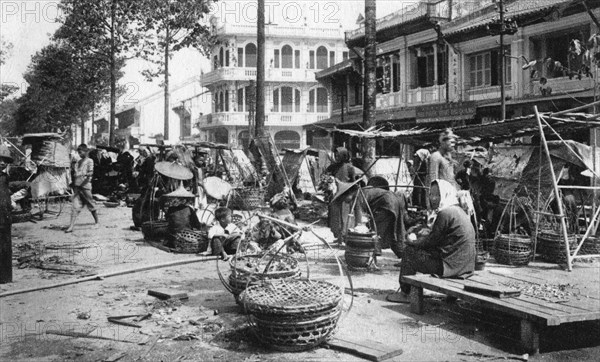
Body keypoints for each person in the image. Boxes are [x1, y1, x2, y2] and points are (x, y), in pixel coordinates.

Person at [388, 179, 476, 303]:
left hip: (452, 267)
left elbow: (430, 242)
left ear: (445, 194)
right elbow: (441, 240)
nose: (433, 198)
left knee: (409, 253)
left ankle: (405, 293)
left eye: (437, 195)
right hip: (465, 267)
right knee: (423, 251)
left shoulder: (445, 213)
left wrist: (412, 243)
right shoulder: (458, 211)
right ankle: (451, 296)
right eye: (431, 194)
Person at [325, 147, 364, 242]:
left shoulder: (349, 167)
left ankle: (345, 237)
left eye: (339, 155)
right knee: (335, 217)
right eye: (336, 156)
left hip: (346, 195)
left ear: (344, 156)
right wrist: (327, 182)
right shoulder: (332, 167)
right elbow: (326, 177)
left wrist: (351, 194)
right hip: (335, 196)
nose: (337, 157)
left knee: (345, 217)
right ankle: (338, 236)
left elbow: (354, 183)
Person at [66, 144, 99, 233]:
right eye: (79, 153)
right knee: (75, 206)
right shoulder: (78, 162)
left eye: (81, 152)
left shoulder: (90, 161)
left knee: (91, 204)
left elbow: (91, 172)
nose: (80, 154)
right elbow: (75, 173)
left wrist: (84, 174)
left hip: (85, 186)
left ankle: (97, 222)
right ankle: (71, 226)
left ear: (86, 151)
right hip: (77, 186)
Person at [0, 145, 14, 283]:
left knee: (5, 247)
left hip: (5, 217)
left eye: (5, 160)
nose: (2, 163)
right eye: (0, 159)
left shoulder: (5, 177)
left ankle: (5, 278)